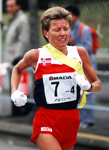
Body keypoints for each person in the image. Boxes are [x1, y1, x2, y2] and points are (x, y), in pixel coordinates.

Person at [10, 6, 101, 150]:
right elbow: (17, 69)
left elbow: (97, 84)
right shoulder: (36, 55)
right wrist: (14, 91)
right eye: (57, 30)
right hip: (46, 119)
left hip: (71, 119)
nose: (63, 34)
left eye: (66, 29)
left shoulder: (80, 53)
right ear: (46, 33)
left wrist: (88, 87)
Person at [65, 5, 97, 128]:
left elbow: (88, 49)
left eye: (69, 15)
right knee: (76, 92)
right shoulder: (68, 28)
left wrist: (75, 44)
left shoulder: (84, 29)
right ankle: (79, 119)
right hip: (75, 65)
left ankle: (88, 120)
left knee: (88, 91)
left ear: (75, 16)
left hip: (87, 65)